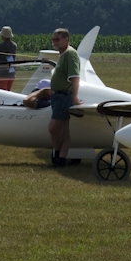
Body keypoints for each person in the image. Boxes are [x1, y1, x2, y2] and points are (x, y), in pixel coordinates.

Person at [48, 28, 81, 166]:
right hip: (57, 96)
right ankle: (61, 159)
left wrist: (75, 97)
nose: (54, 42)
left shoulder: (70, 54)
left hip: (64, 96)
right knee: (64, 130)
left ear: (66, 40)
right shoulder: (62, 54)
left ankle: (57, 153)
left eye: (57, 39)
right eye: (53, 39)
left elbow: (75, 76)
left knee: (53, 127)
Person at [0, 26, 18, 91]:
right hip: (12, 73)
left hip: (2, 73)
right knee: (8, 91)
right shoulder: (14, 45)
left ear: (3, 36)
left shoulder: (0, 46)